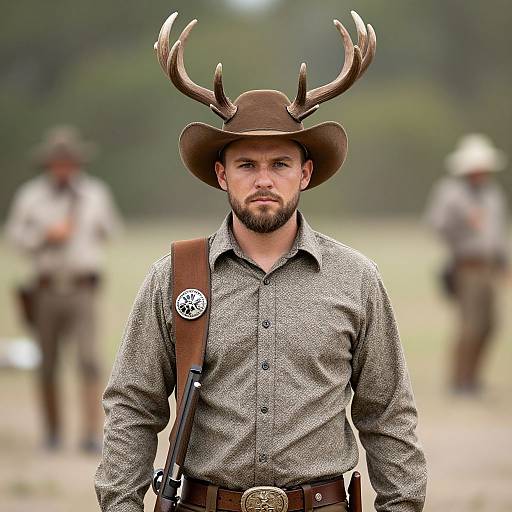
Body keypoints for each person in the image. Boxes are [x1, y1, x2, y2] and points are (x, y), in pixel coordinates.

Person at [95, 10, 427, 512]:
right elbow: (132, 408)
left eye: (280, 164)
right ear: (222, 175)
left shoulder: (356, 278)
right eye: (246, 164)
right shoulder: (175, 275)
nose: (264, 180)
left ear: (306, 173)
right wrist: (121, 506)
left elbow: (388, 414)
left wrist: (402, 507)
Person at [6, 125, 122, 452]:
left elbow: (111, 229)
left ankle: (90, 434)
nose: (63, 168)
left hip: (84, 289)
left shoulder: (96, 194)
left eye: (68, 162)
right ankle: (53, 433)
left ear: (77, 164)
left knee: (88, 360)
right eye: (58, 162)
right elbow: (15, 238)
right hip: (44, 291)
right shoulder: (30, 196)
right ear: (48, 165)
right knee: (48, 364)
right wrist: (45, 236)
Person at [425, 134, 509, 394]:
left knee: (491, 325)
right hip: (466, 267)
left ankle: (474, 377)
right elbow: (436, 225)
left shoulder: (493, 195)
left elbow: (497, 233)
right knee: (470, 326)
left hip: (490, 267)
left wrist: (504, 262)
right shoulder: (450, 193)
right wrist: (462, 222)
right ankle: (460, 381)